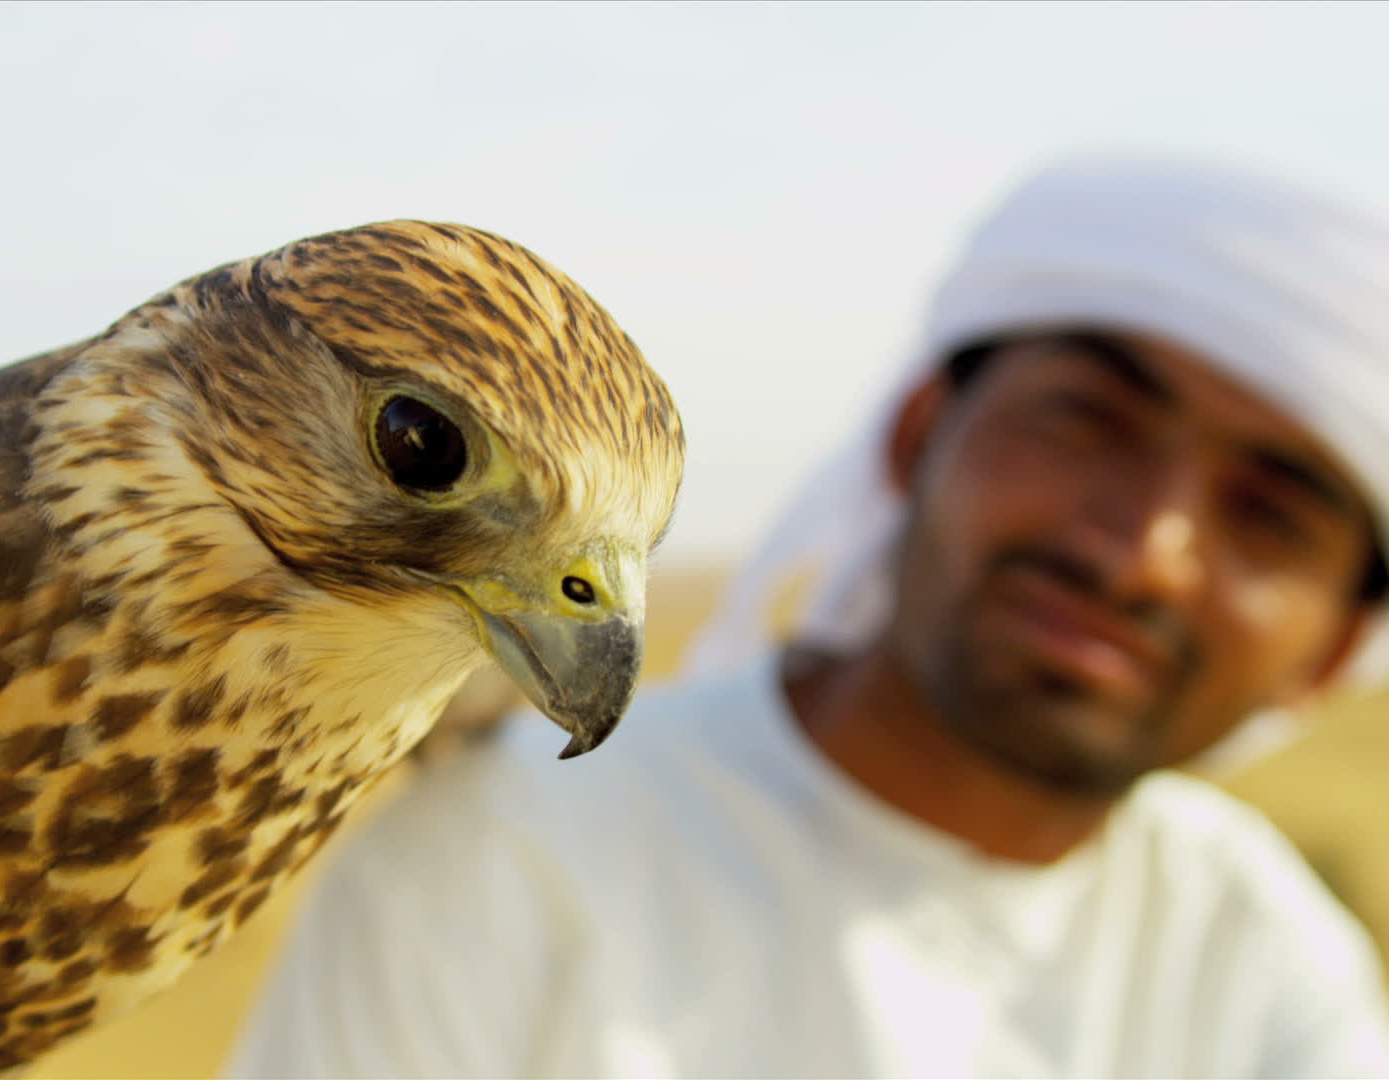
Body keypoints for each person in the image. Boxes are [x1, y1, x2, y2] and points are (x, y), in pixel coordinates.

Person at [223, 155, 1389, 1078]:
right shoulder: (506, 852)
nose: (1145, 553)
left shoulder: (1258, 954)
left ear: (1336, 646)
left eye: (1269, 518)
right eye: (1087, 423)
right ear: (918, 434)